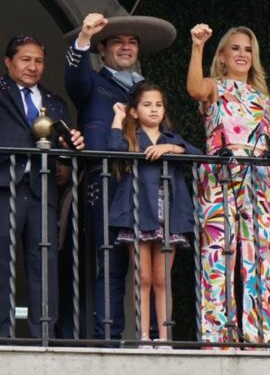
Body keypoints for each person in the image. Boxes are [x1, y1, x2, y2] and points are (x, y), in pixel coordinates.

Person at [0, 25, 84, 337]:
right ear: (8, 62)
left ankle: (44, 335)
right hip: (1, 185)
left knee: (44, 261)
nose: (33, 66)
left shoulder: (54, 102)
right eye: (25, 59)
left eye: (39, 60)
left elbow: (62, 145)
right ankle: (0, 335)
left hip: (42, 188)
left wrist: (70, 148)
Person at [64, 12, 175, 339]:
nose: (126, 47)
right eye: (117, 41)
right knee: (111, 263)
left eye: (132, 42)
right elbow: (73, 76)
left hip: (148, 183)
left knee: (153, 267)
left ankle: (154, 338)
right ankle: (109, 339)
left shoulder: (147, 90)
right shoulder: (91, 82)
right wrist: (84, 37)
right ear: (101, 49)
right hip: (107, 180)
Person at [187, 23, 270, 344]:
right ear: (222, 56)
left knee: (262, 254)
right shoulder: (214, 86)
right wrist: (197, 45)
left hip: (259, 179)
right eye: (235, 48)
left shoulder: (262, 98)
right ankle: (218, 335)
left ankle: (263, 334)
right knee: (219, 254)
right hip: (221, 176)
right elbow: (194, 89)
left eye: (248, 50)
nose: (242, 54)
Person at [108, 81, 200, 344]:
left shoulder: (171, 138)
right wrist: (118, 117)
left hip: (168, 215)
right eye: (147, 104)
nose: (154, 109)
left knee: (162, 279)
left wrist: (169, 149)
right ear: (134, 111)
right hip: (139, 213)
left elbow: (196, 153)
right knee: (143, 277)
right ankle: (144, 336)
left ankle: (165, 336)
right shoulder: (132, 137)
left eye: (158, 104)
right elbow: (113, 147)